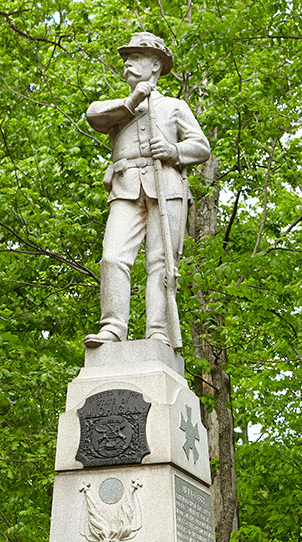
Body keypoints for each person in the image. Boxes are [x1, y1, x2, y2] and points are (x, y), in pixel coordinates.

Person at [84, 32, 210, 349]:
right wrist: (132, 101)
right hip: (126, 188)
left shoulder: (174, 107)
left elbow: (201, 147)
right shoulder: (115, 107)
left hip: (167, 187)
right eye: (126, 57)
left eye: (135, 57)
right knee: (112, 257)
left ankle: (158, 330)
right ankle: (112, 327)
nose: (127, 62)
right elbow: (94, 117)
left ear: (154, 64)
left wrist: (173, 150)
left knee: (161, 262)